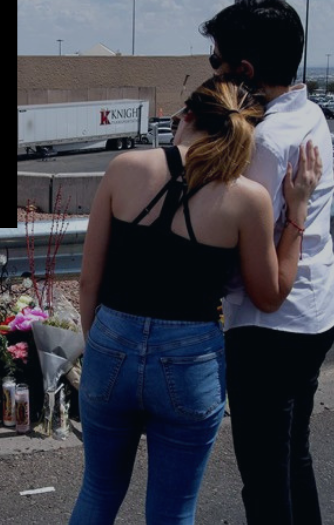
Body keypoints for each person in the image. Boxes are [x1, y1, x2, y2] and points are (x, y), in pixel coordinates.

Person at [68, 75, 322, 525]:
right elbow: (269, 296)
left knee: (98, 492)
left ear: (184, 118)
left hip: (112, 342)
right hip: (191, 360)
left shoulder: (125, 167)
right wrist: (297, 212)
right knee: (173, 511)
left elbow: (89, 281)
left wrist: (105, 347)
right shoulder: (249, 199)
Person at [200, 2, 334, 524]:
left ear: (245, 71)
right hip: (315, 311)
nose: (213, 74)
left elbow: (248, 251)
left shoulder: (263, 143)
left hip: (267, 326)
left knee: (263, 474)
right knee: (293, 455)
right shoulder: (312, 114)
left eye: (217, 63)